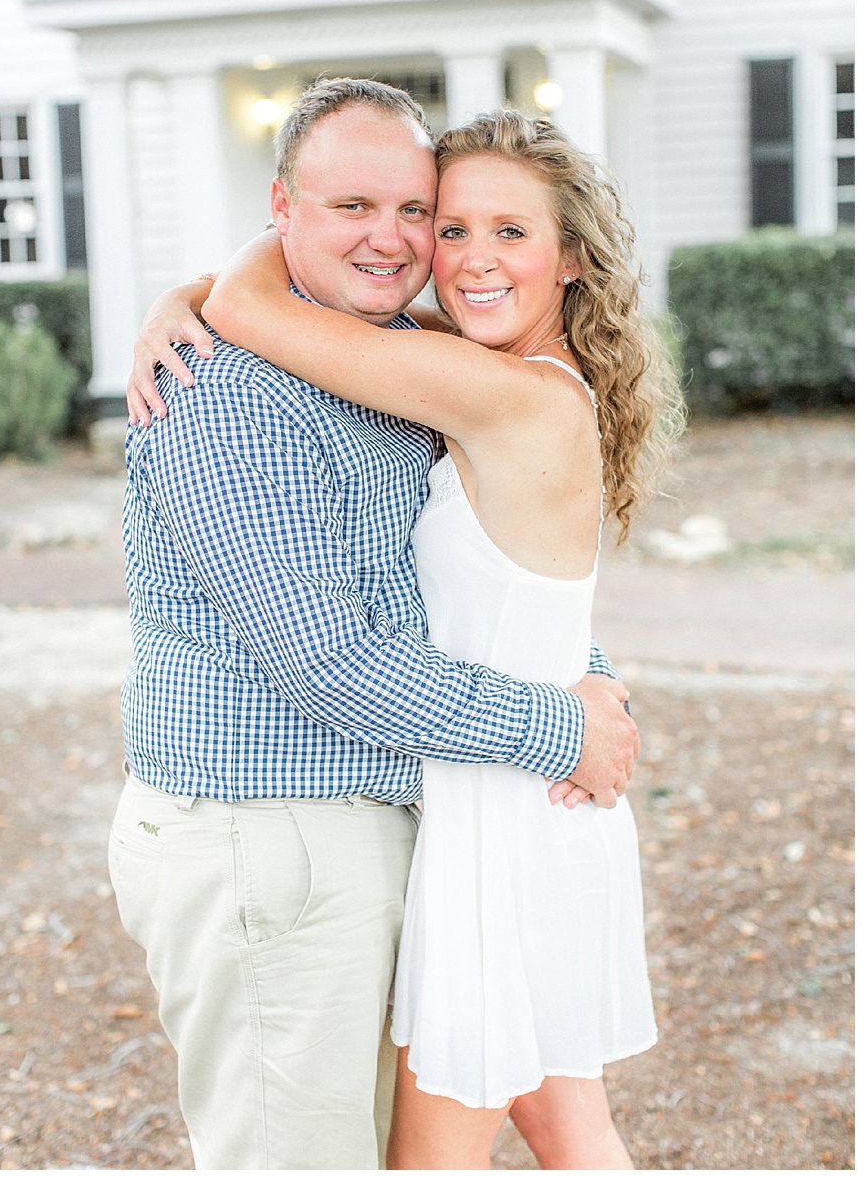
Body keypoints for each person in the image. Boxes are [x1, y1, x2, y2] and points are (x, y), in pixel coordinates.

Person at [110, 79, 643, 1169]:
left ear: (571, 255)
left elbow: (463, 585)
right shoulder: (227, 394)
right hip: (272, 828)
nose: (400, 240)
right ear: (281, 205)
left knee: (504, 1129)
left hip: (448, 808)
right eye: (355, 206)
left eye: (417, 212)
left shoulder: (430, 366)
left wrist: (576, 681)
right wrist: (564, 717)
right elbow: (334, 660)